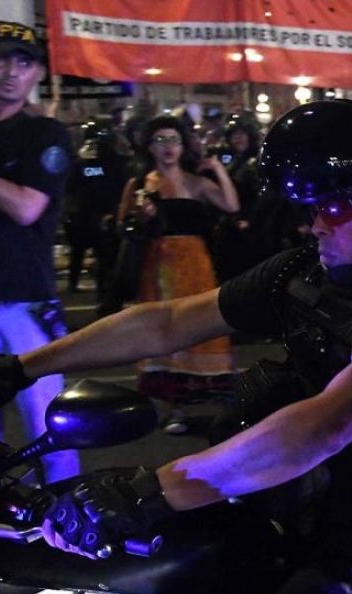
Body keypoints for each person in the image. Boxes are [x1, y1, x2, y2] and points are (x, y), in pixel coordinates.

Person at [0, 100, 352, 594]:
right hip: (292, 509)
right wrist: (16, 369)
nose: (314, 225)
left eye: (335, 209)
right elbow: (171, 320)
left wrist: (146, 493)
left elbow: (325, 424)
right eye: (311, 208)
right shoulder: (313, 273)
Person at [0, 21, 77, 483]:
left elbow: (27, 207)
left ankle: (67, 536)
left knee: (50, 429)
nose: (12, 71)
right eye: (2, 57)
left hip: (24, 309)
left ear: (37, 75)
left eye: (25, 63)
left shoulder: (43, 134)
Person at [122, 115, 240, 433]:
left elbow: (231, 205)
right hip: (158, 264)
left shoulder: (196, 182)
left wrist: (217, 169)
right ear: (149, 147)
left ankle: (210, 404)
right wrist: (141, 215)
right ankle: (173, 407)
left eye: (173, 140)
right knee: (165, 329)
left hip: (195, 263)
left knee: (201, 325)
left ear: (183, 145)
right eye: (160, 140)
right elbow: (124, 225)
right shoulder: (139, 183)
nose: (168, 147)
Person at [64, 120, 129, 296]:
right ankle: (102, 288)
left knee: (80, 252)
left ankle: (74, 284)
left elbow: (69, 187)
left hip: (84, 213)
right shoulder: (115, 161)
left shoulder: (81, 162)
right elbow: (122, 185)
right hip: (101, 214)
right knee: (103, 254)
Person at [210, 111, 264, 281]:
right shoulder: (234, 161)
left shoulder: (258, 162)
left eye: (242, 133)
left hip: (250, 233)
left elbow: (264, 197)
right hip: (232, 229)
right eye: (234, 133)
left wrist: (250, 222)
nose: (237, 138)